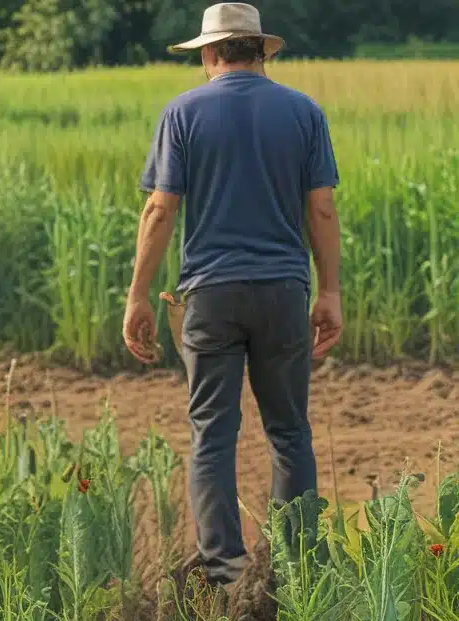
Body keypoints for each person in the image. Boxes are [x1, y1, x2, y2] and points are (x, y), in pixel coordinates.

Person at [123, 3, 342, 586]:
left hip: (209, 296)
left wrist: (138, 295)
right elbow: (320, 208)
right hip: (282, 292)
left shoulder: (182, 113)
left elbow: (160, 209)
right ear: (259, 50)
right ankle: (295, 569)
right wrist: (331, 293)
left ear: (212, 52)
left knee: (212, 433)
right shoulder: (303, 112)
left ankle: (224, 570)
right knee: (290, 430)